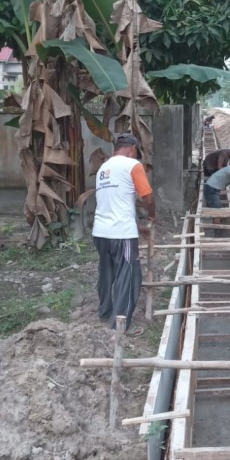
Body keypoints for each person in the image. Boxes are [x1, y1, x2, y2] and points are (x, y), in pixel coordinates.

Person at [92, 133, 157, 337]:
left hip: (101, 232)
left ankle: (105, 313)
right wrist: (152, 215)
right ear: (132, 149)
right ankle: (122, 325)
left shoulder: (104, 169)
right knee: (129, 277)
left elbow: (114, 203)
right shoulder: (132, 165)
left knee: (107, 272)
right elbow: (147, 197)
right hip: (122, 234)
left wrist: (136, 225)